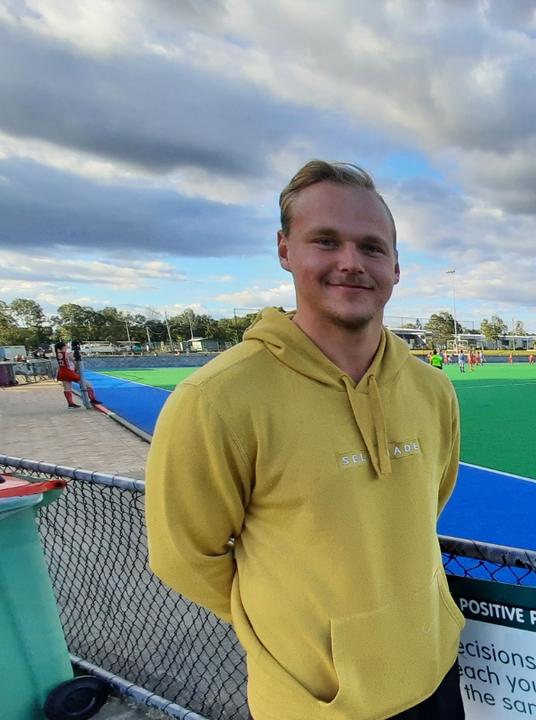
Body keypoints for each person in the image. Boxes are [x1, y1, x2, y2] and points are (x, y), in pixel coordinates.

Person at [146, 160, 465, 720]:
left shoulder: (432, 390)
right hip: (313, 704)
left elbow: (427, 504)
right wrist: (299, 634)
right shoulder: (217, 399)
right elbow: (184, 557)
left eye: (371, 247)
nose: (351, 262)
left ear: (395, 266)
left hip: (434, 678)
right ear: (284, 250)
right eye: (326, 241)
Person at [54, 341, 98, 408]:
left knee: (67, 389)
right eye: (66, 345)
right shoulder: (68, 354)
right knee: (88, 385)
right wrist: (78, 368)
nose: (67, 346)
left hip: (62, 372)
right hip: (69, 372)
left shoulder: (58, 354)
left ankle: (70, 403)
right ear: (63, 346)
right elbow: (76, 363)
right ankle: (92, 399)